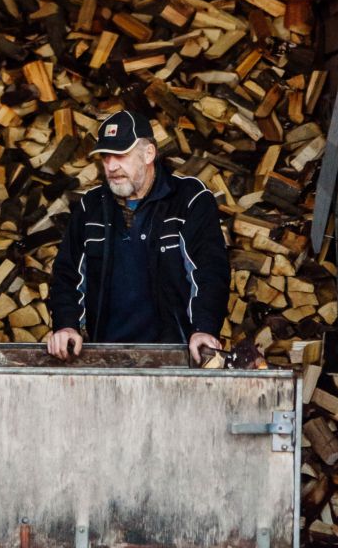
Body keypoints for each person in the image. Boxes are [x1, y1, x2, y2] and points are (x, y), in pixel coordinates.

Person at [45, 106, 229, 363]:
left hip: (175, 356)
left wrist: (204, 328)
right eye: (106, 156)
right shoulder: (91, 206)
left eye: (121, 155)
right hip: (106, 356)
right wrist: (66, 324)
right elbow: (68, 274)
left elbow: (209, 271)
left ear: (148, 153)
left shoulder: (188, 200)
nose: (111, 166)